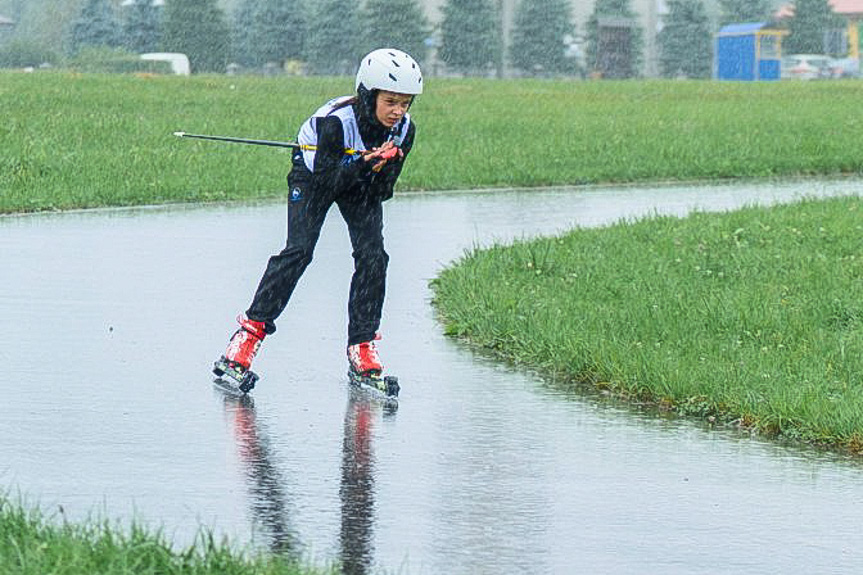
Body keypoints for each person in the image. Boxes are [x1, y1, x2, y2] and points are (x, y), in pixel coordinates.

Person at [213, 48, 422, 392]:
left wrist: (385, 166)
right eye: (391, 102)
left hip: (360, 179)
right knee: (299, 252)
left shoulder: (403, 132)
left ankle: (362, 348)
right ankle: (245, 340)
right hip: (314, 176)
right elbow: (328, 185)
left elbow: (383, 193)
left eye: (405, 104)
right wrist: (362, 165)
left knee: (374, 256)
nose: (398, 112)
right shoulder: (336, 123)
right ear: (369, 96)